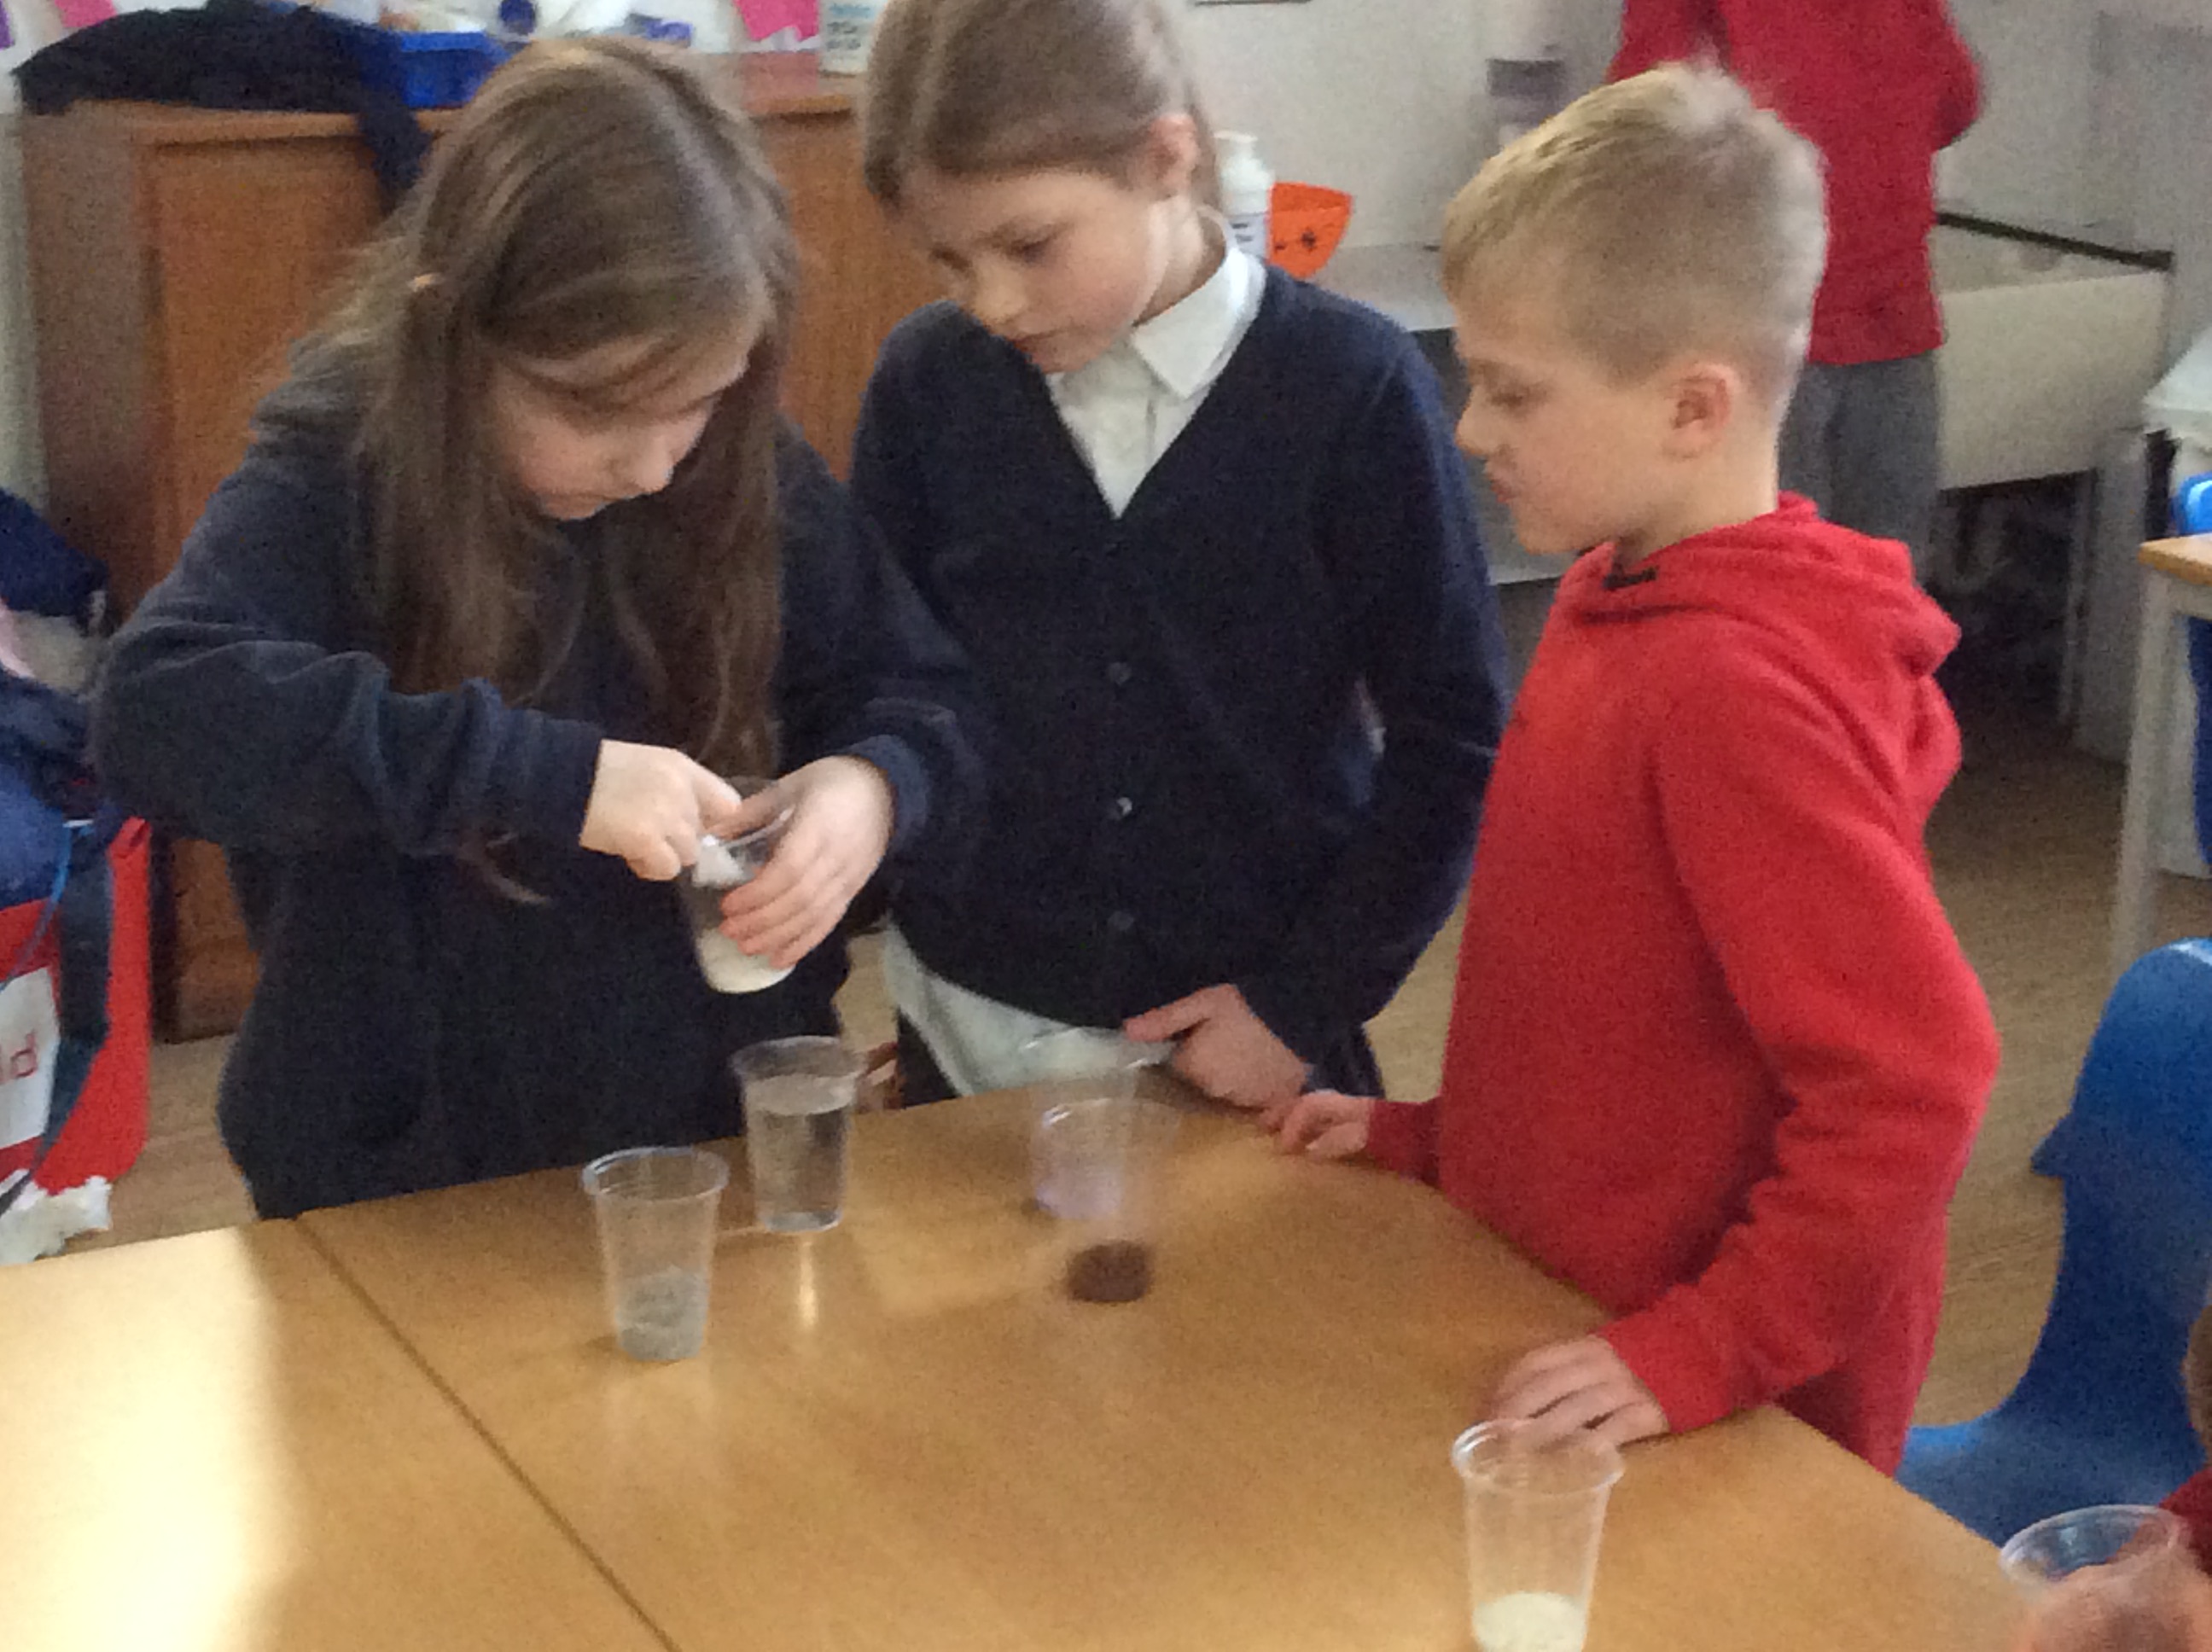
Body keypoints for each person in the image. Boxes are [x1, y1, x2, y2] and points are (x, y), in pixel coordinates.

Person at [91, 39, 983, 1218]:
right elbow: (156, 712)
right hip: (402, 1175)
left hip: (706, 1140)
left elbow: (925, 696)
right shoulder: (342, 463)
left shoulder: (734, 462)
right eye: (598, 412)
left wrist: (874, 789)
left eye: (698, 401)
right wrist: (549, 776)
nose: (654, 464)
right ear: (452, 334)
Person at [1267, 64, 2000, 1473]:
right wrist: (1445, 1142)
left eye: (1512, 393)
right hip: (1564, 1311)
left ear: (1691, 408)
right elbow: (1610, 1004)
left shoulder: (1731, 691)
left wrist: (1707, 1347)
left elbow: (1916, 1083)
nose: (1471, 429)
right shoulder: (1615, 595)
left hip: (1720, 1412)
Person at [848, 0, 1508, 1110]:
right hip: (966, 1024)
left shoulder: (1351, 391)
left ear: (1167, 159)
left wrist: (1302, 1003)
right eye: (950, 260)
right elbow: (881, 677)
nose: (993, 303)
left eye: (1030, 246)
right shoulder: (927, 383)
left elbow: (1453, 737)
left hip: (1248, 1043)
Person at [1610, 0, 1982, 568]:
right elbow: (1955, 100)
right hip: (1890, 313)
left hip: (1765, 314)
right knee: (1886, 583)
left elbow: (1646, 125)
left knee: (1771, 579)